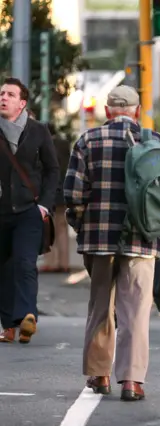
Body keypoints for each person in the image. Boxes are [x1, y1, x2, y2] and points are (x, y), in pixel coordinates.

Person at [64, 85, 160, 401]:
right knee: (136, 312)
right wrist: (159, 232)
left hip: (99, 240)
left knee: (101, 306)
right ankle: (132, 381)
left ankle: (99, 375)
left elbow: (73, 196)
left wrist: (83, 228)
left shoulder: (87, 141)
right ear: (137, 111)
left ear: (107, 111)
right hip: (142, 240)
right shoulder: (155, 142)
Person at [0, 77, 60, 344]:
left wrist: (45, 205)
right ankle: (8, 325)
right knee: (3, 269)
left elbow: (52, 169)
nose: (3, 98)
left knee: (25, 263)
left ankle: (26, 316)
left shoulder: (38, 131)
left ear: (22, 103)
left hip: (28, 210)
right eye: (1, 93)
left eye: (10, 94)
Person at [40, 123, 71, 273]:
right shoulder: (64, 145)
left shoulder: (43, 144)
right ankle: (64, 262)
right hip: (64, 190)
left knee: (48, 227)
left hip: (50, 190)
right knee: (62, 227)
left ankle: (50, 263)